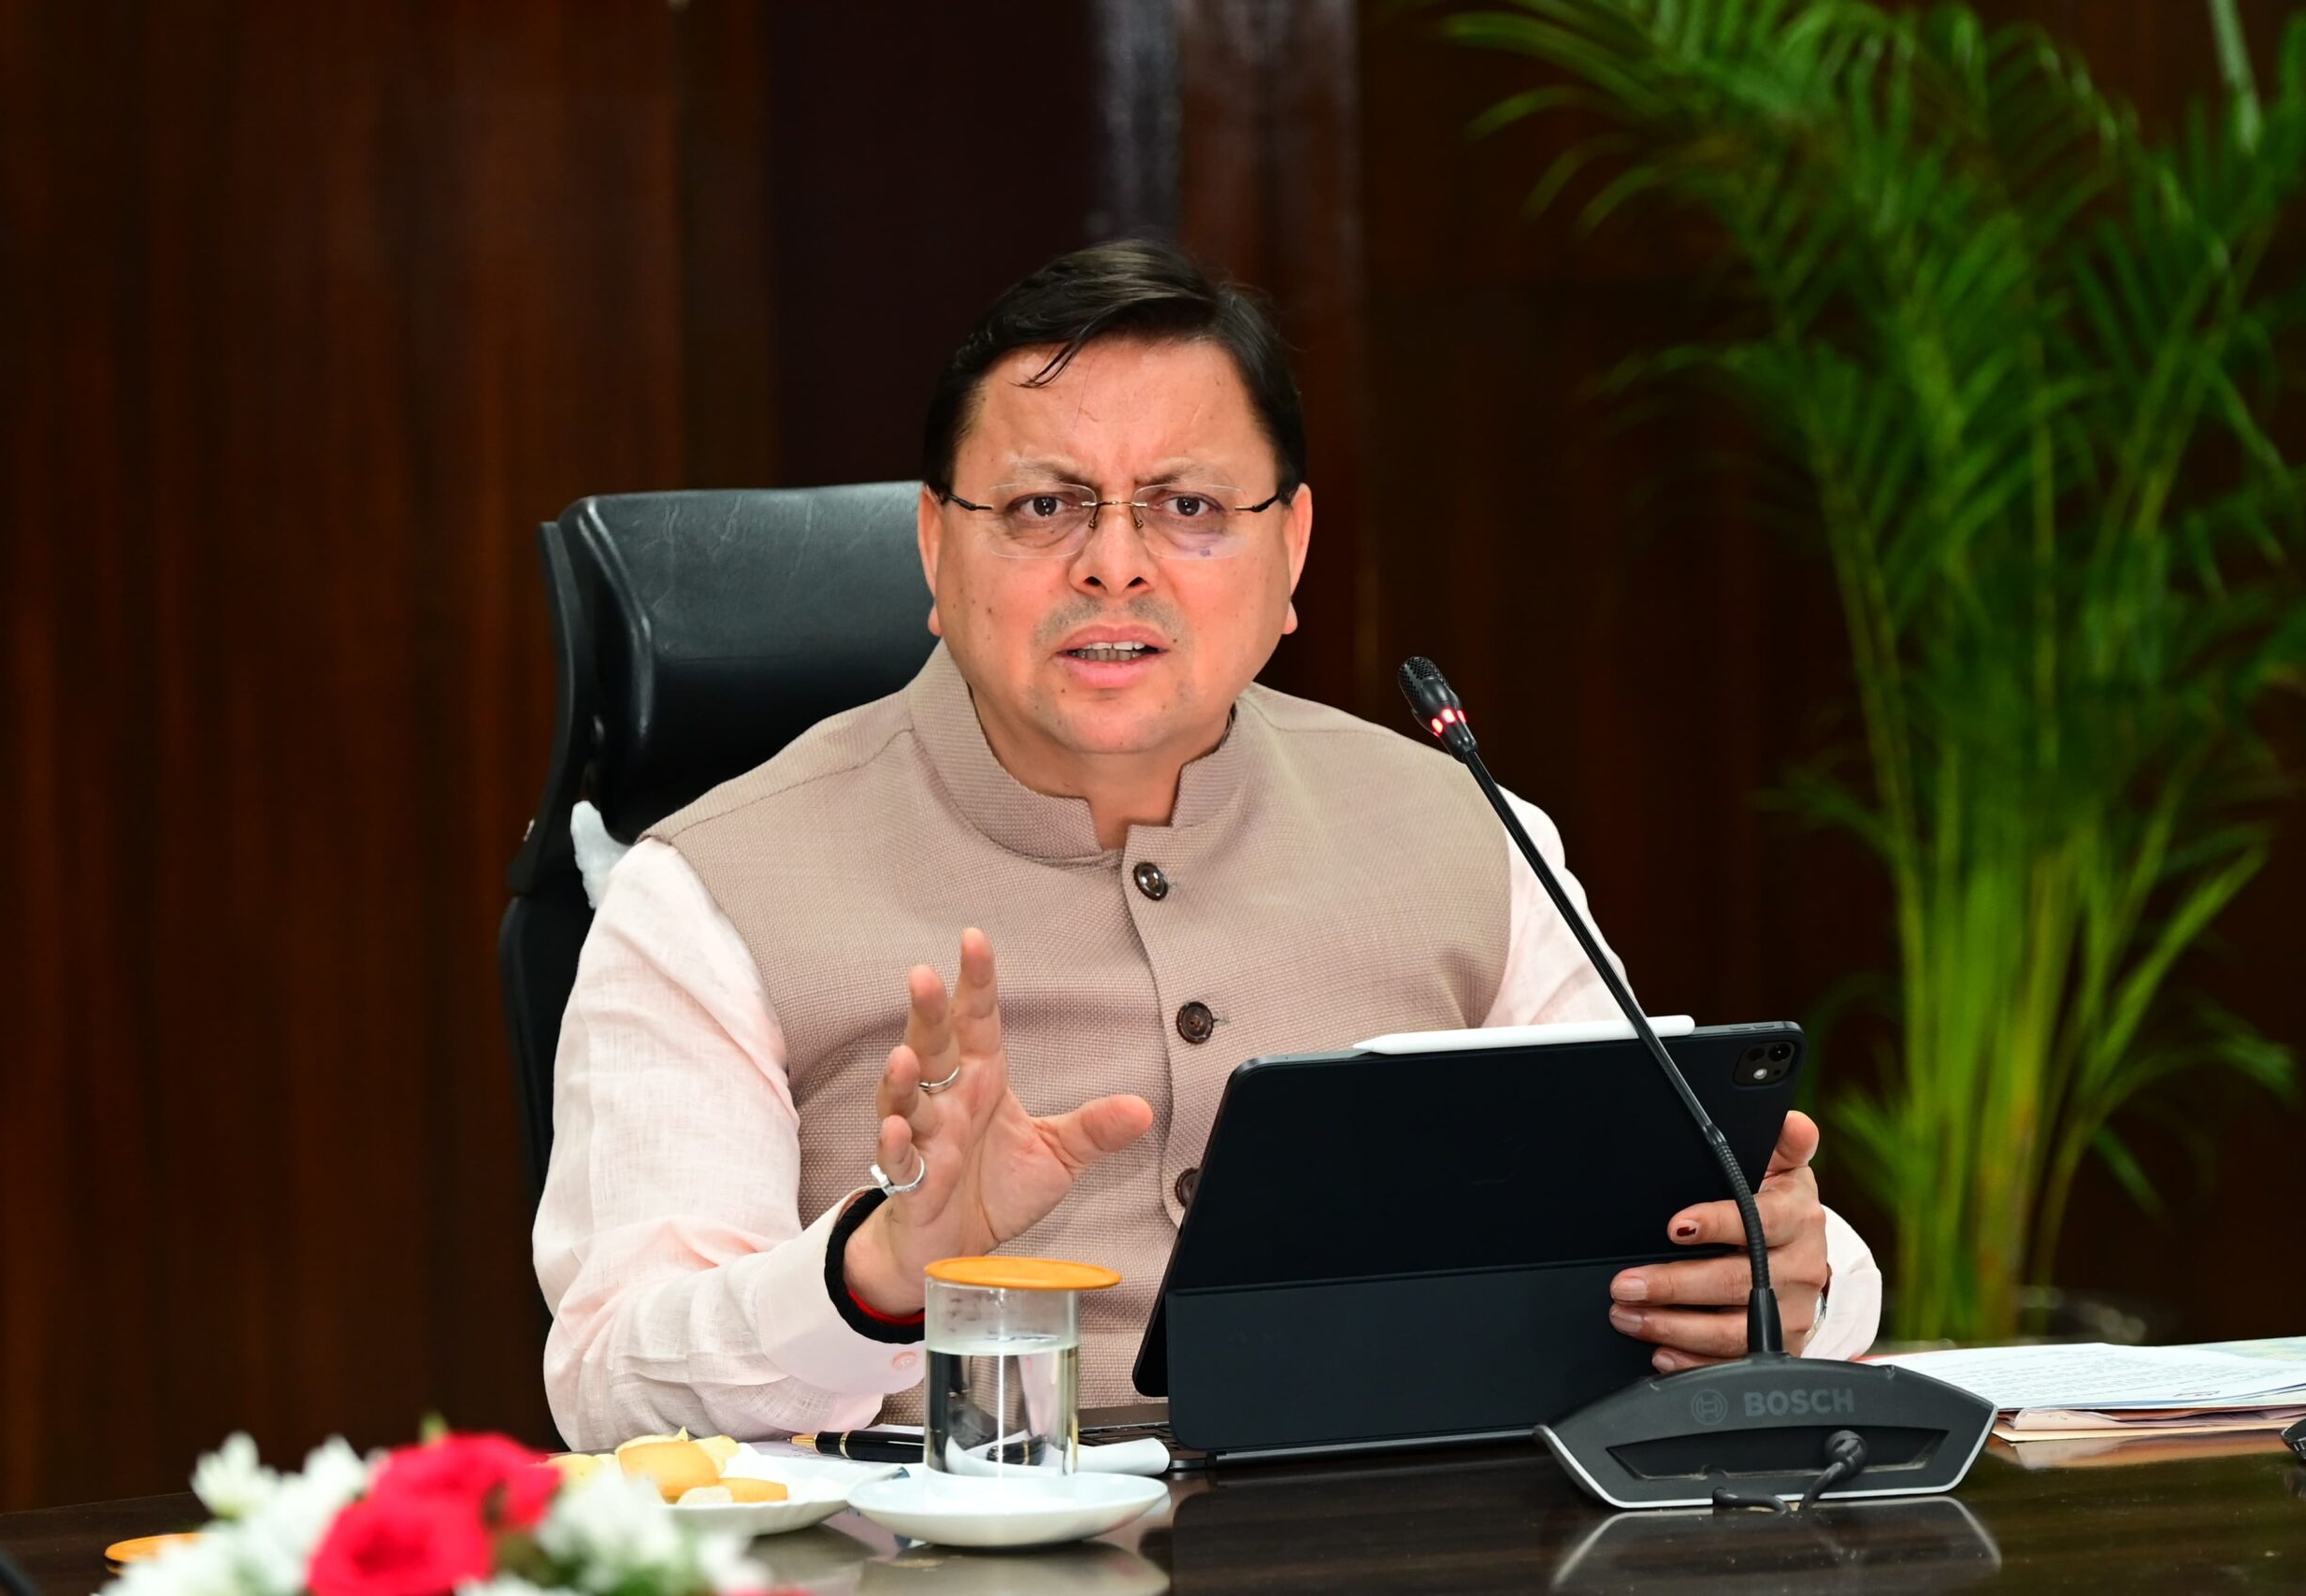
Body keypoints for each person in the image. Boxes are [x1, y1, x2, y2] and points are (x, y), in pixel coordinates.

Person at [534, 239, 1879, 1446]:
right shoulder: (707, 891)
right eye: (1045, 507)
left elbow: (1726, 1222)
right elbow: (608, 1378)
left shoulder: (1470, 831)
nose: (1115, 565)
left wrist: (1790, 1279)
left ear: (1292, 549)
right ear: (936, 548)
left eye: (1189, 508)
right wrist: (874, 1275)